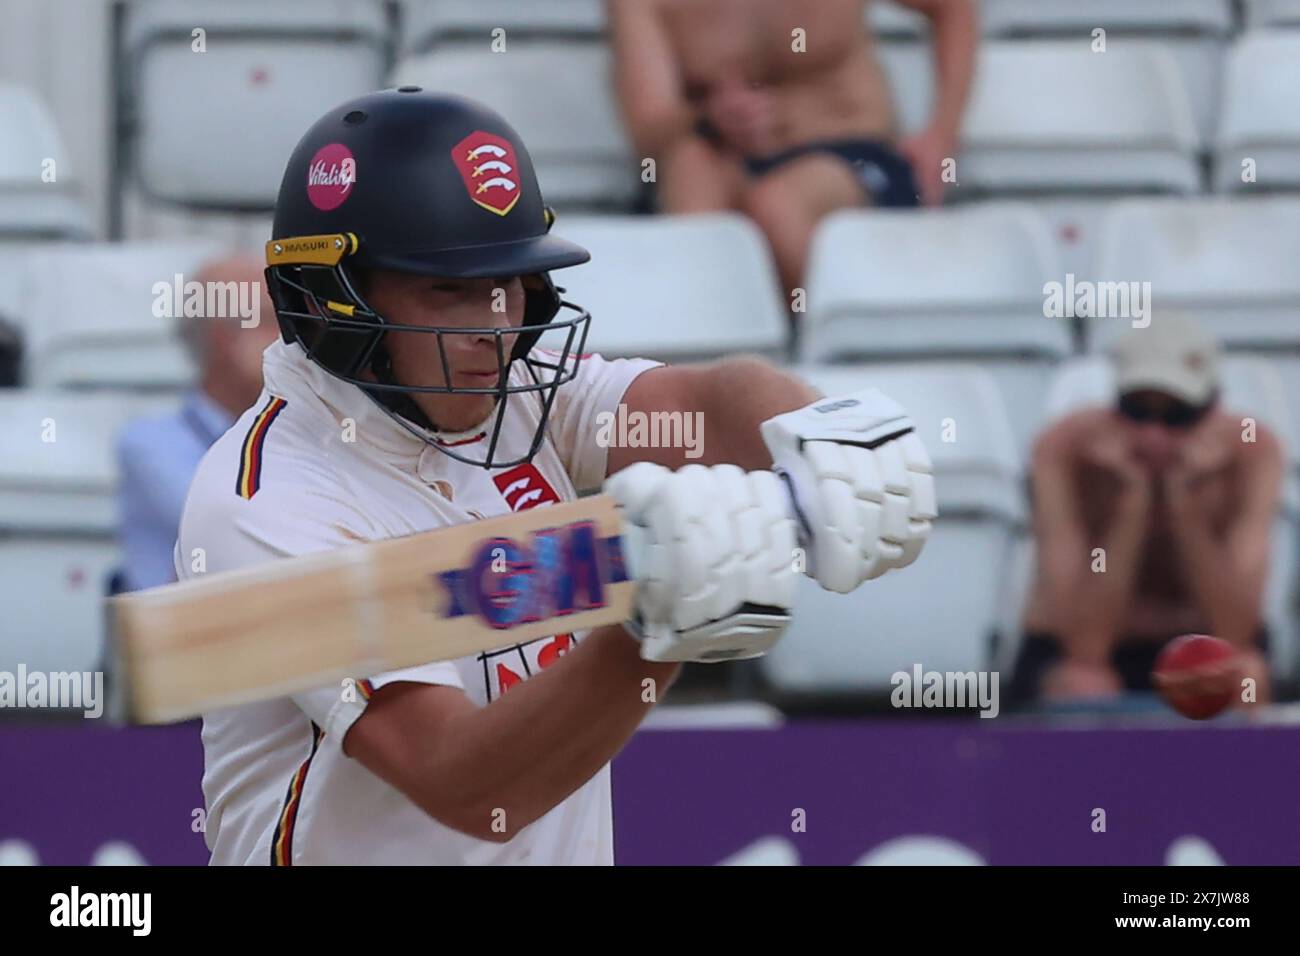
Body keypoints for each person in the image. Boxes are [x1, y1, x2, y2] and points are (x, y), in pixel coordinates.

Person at [178, 89, 936, 864]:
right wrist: (652, 629)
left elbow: (697, 404)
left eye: (508, 285)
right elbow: (467, 786)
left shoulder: (507, 389)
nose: (495, 327)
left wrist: (814, 430)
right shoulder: (266, 502)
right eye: (450, 290)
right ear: (334, 302)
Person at [610, 0, 976, 299]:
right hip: (726, 153)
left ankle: (821, 358)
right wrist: (712, 115)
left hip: (848, 153)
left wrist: (941, 136)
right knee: (690, 171)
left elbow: (953, 7)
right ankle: (712, 358)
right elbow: (650, 125)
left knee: (778, 205)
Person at [1012, 317, 1283, 708]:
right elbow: (1083, 645)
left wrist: (1183, 504)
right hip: (1091, 650)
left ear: (1211, 409)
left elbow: (1234, 632)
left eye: (1177, 417)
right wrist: (1131, 508)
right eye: (1138, 413)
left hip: (1203, 648)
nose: (1154, 437)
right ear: (1114, 405)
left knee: (1244, 678)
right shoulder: (1064, 452)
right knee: (1084, 684)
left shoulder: (1251, 452)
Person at [115, 255, 279, 591]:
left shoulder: (295, 434)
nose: (292, 341)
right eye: (271, 321)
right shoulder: (149, 445)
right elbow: (244, 531)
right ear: (225, 341)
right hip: (178, 639)